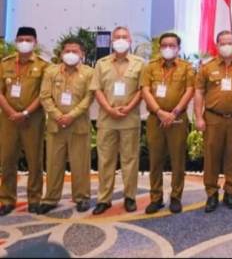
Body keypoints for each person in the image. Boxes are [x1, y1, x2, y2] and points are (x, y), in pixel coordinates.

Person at [194, 30, 232, 213]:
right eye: (223, 43)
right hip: (213, 117)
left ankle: (230, 191)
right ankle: (211, 193)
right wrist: (198, 117)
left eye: (230, 42)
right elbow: (199, 92)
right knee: (211, 156)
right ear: (217, 45)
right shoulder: (207, 67)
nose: (227, 46)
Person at [90, 26, 145, 215]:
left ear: (130, 41)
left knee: (130, 160)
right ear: (112, 41)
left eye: (124, 37)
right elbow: (97, 89)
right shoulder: (101, 63)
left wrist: (128, 108)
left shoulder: (139, 63)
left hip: (130, 119)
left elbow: (142, 90)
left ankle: (130, 197)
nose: (121, 40)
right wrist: (108, 109)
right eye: (117, 37)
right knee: (106, 160)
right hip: (107, 119)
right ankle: (104, 199)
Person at [37, 38, 94, 214]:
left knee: (80, 164)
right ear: (61, 53)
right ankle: (50, 199)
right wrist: (57, 115)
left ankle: (82, 197)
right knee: (53, 164)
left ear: (82, 54)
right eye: (67, 51)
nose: (70, 54)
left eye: (75, 51)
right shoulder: (51, 71)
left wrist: (71, 115)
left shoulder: (89, 73)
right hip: (56, 126)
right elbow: (44, 96)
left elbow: (89, 98)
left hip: (79, 126)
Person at [140, 32, 195, 215]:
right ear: (159, 47)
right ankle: (156, 198)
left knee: (177, 160)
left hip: (177, 118)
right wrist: (159, 112)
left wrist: (174, 112)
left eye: (172, 45)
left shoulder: (186, 67)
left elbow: (189, 91)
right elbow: (145, 91)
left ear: (178, 48)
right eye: (164, 45)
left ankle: (176, 197)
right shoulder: (150, 67)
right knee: (155, 160)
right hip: (155, 118)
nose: (168, 48)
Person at [0, 27, 48, 215]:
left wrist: (26, 113)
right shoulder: (5, 64)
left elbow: (43, 94)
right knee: (7, 159)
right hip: (8, 118)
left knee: (34, 160)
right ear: (16, 41)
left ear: (35, 42)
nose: (24, 43)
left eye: (28, 39)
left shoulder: (43, 66)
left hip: (32, 119)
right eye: (20, 39)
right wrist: (12, 112)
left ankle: (34, 199)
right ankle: (7, 199)